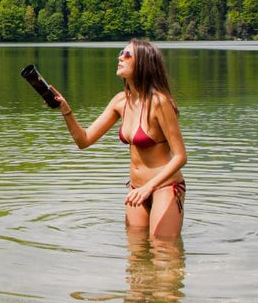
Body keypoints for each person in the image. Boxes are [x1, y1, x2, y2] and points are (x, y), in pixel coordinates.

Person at [51, 39, 187, 237]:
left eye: (127, 55)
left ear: (143, 63)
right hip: (136, 188)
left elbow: (181, 156)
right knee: (136, 256)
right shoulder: (120, 101)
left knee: (164, 253)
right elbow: (84, 140)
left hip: (164, 187)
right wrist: (66, 110)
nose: (120, 57)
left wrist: (150, 187)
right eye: (121, 52)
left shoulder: (159, 102)